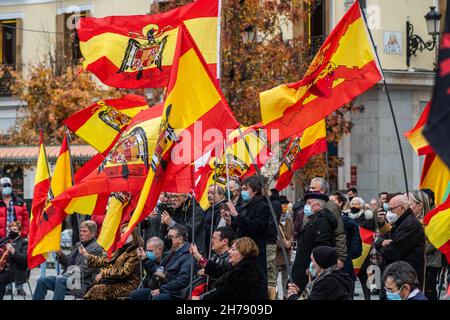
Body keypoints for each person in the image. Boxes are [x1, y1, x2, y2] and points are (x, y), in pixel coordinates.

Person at [33, 221, 103, 300]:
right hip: (68, 279)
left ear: (93, 233)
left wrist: (64, 276)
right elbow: (68, 262)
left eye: (85, 231)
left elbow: (84, 270)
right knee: (42, 280)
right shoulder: (78, 245)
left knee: (60, 280)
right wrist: (60, 255)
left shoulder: (96, 249)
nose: (81, 233)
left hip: (83, 283)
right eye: (81, 231)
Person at [221, 175, 271, 279]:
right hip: (242, 253)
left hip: (253, 253)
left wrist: (236, 216)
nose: (243, 192)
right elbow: (241, 228)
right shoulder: (246, 205)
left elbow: (256, 227)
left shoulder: (262, 206)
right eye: (242, 189)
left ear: (255, 190)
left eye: (245, 189)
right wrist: (231, 222)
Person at [375, 194, 425, 290]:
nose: (389, 212)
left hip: (404, 277)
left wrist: (381, 246)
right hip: (398, 274)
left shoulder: (410, 224)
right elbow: (383, 237)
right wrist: (381, 243)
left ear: (401, 208)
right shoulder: (400, 222)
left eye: (391, 209)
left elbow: (391, 251)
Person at [81, 224, 143, 300]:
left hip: (127, 285)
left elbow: (125, 272)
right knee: (92, 287)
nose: (123, 234)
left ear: (134, 235)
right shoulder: (121, 249)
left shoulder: (136, 251)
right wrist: (87, 255)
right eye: (122, 232)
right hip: (116, 281)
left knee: (98, 289)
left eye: (126, 232)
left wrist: (104, 274)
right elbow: (106, 261)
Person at [291, 192, 337, 291]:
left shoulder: (321, 221)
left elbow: (321, 246)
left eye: (308, 203)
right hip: (304, 268)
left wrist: (313, 266)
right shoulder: (313, 219)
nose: (306, 206)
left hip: (309, 271)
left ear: (317, 206)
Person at [201, 237, 269, 300]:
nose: (229, 251)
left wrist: (201, 298)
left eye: (233, 249)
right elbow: (220, 271)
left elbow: (223, 294)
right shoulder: (243, 267)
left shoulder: (245, 272)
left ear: (243, 253)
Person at [287, 246, 354, 300]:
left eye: (313, 261)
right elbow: (316, 296)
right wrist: (299, 292)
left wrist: (293, 296)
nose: (311, 264)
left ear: (320, 263)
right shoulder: (335, 276)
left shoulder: (329, 282)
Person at [308, 177, 348, 268]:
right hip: (310, 255)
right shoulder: (308, 204)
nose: (310, 190)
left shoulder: (331, 207)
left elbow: (339, 233)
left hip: (324, 255)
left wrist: (341, 258)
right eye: (310, 187)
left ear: (322, 190)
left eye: (313, 188)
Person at [409, 190, 442, 300]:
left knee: (429, 291)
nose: (409, 205)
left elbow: (433, 243)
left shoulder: (432, 221)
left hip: (429, 263)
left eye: (411, 203)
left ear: (420, 205)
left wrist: (415, 248)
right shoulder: (412, 220)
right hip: (416, 263)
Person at [343, 197, 376, 300]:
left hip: (363, 253)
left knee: (363, 277)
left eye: (357, 204)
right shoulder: (345, 216)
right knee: (350, 278)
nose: (354, 206)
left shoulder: (367, 217)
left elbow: (370, 231)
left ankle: (367, 297)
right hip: (350, 251)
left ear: (361, 206)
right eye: (352, 203)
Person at [150, 225, 195, 300]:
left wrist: (162, 289)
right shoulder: (170, 253)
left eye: (170, 237)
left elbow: (183, 280)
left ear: (180, 239)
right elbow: (159, 270)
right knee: (138, 294)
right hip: (164, 288)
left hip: (175, 293)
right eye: (167, 237)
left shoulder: (189, 254)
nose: (168, 239)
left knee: (158, 298)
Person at [189, 226, 234, 295]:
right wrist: (200, 272)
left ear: (224, 241)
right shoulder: (214, 255)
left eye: (214, 238)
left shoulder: (230, 259)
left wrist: (197, 255)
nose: (211, 241)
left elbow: (217, 272)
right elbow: (202, 271)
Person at [330, 192, 362, 286]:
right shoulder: (323, 219)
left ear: (340, 203)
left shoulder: (349, 223)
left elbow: (356, 245)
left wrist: (346, 257)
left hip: (344, 265)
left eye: (332, 201)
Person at [0, 222, 27, 300]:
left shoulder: (23, 243)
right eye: (10, 229)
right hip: (2, 268)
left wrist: (13, 250)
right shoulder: (5, 240)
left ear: (19, 232)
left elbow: (24, 261)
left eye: (14, 230)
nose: (11, 231)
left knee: (0, 279)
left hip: (15, 271)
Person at [265, 188, 283, 300]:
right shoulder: (268, 202)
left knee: (271, 276)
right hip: (267, 242)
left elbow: (271, 225)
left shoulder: (275, 204)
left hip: (269, 242)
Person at [276, 197, 294, 299]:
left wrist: (290, 242)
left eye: (286, 204)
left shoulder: (289, 219)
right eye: (282, 204)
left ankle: (285, 296)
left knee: (285, 277)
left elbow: (292, 233)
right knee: (274, 277)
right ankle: (275, 296)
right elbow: (273, 236)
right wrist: (282, 243)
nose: (284, 206)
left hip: (286, 253)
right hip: (276, 254)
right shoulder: (275, 219)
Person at [204, 185, 227, 256]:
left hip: (216, 246)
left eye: (212, 193)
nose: (209, 195)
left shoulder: (223, 208)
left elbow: (219, 228)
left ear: (221, 195)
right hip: (207, 244)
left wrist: (203, 227)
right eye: (208, 193)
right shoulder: (209, 208)